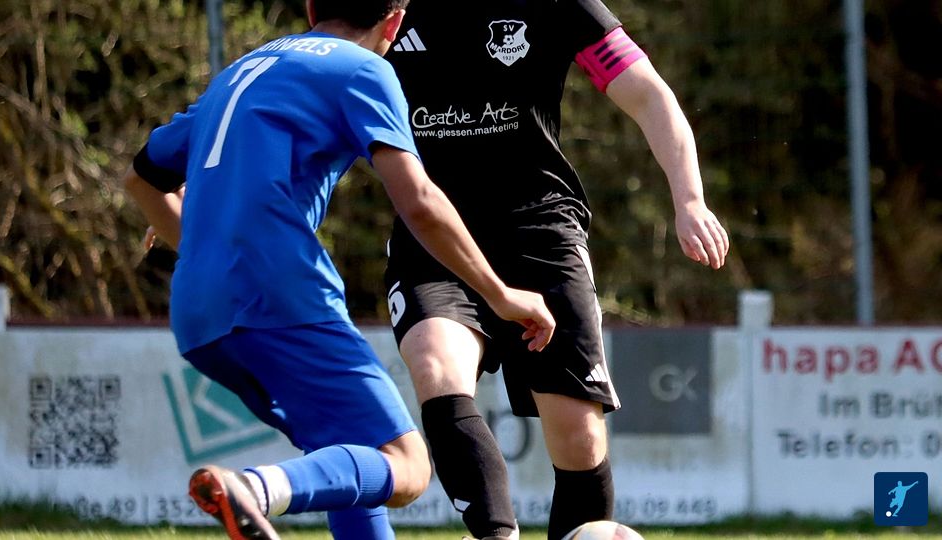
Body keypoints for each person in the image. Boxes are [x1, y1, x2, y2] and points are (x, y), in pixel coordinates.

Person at [122, 1, 556, 539]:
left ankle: (257, 491)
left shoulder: (243, 71)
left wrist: (204, 245)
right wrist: (500, 293)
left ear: (311, 8)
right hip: (279, 292)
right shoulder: (361, 69)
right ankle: (255, 489)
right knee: (407, 465)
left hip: (197, 310)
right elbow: (419, 201)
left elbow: (142, 179)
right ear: (394, 23)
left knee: (348, 451)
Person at [383, 2, 730, 539]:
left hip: (540, 231)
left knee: (578, 437)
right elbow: (331, 88)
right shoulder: (392, 7)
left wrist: (690, 200)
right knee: (435, 366)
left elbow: (647, 93)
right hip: (433, 229)